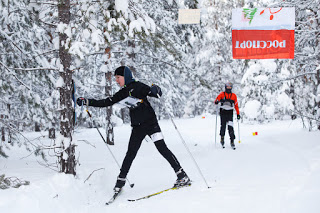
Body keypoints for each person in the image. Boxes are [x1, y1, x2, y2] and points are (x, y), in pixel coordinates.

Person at [77, 66, 191, 192]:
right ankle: (120, 182)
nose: (116, 81)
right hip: (137, 127)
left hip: (151, 124)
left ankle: (182, 175)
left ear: (125, 76)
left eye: (118, 78)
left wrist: (155, 89)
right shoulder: (123, 92)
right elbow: (106, 102)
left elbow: (153, 92)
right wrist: (87, 101)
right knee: (130, 153)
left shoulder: (138, 86)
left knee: (162, 148)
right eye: (115, 78)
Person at [214, 82, 240, 149]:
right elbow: (216, 100)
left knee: (230, 127)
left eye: (230, 87)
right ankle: (222, 138)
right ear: (225, 87)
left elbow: (236, 105)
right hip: (223, 112)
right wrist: (217, 101)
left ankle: (232, 140)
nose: (229, 88)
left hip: (230, 113)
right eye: (227, 87)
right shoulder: (222, 94)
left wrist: (238, 114)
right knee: (223, 126)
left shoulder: (234, 95)